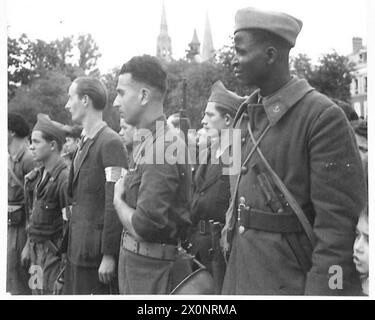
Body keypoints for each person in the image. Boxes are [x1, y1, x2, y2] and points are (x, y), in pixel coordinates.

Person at [221, 7, 366, 295]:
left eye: (240, 51)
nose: (233, 61)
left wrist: (326, 291)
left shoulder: (322, 117)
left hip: (289, 282)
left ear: (271, 55)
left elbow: (337, 230)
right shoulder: (247, 115)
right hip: (242, 276)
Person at [113, 55, 192, 294]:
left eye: (121, 93)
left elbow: (145, 226)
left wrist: (117, 200)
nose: (116, 102)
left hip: (152, 275)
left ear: (144, 96)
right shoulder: (149, 141)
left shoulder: (163, 147)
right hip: (138, 268)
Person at [64, 76, 128, 294]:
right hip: (77, 250)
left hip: (95, 256)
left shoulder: (110, 142)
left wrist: (109, 254)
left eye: (70, 97)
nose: (66, 104)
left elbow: (114, 202)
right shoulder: (85, 141)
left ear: (84, 100)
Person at [189, 81, 245, 294]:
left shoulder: (238, 158)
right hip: (198, 248)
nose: (203, 121)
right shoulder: (208, 154)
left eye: (210, 115)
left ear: (228, 120)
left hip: (222, 256)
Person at [21, 114, 69, 294]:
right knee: (36, 293)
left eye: (36, 142)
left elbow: (69, 227)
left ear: (52, 145)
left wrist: (64, 271)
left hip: (53, 257)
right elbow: (32, 216)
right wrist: (27, 245)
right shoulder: (37, 176)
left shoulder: (64, 179)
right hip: (36, 252)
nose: (31, 146)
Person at [7, 113, 37, 295]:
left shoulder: (28, 159)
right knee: (11, 276)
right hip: (11, 228)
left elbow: (35, 204)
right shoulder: (11, 158)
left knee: (23, 278)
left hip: (24, 230)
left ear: (10, 132)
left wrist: (29, 242)